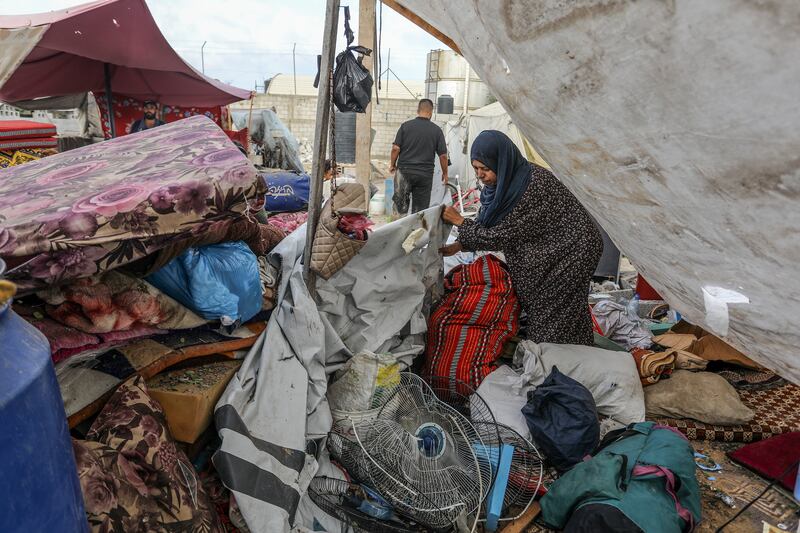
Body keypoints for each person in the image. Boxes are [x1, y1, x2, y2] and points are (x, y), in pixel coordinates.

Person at [440, 130, 603, 345]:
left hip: (572, 251)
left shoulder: (530, 187)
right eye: (476, 168)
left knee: (549, 309)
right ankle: (576, 355)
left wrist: (461, 222)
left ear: (503, 163)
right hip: (552, 247)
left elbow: (500, 235)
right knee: (565, 310)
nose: (480, 175)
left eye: (486, 169)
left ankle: (553, 362)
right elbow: (490, 224)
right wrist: (460, 245)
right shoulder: (505, 184)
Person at [390, 99, 448, 213]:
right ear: (431, 112)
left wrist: (392, 164)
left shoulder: (405, 126)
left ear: (418, 110)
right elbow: (443, 156)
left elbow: (395, 148)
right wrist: (445, 173)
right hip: (424, 175)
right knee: (419, 212)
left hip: (404, 173)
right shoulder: (436, 130)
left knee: (399, 210)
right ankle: (416, 229)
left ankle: (397, 229)